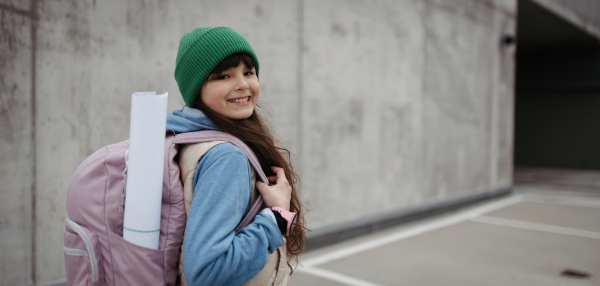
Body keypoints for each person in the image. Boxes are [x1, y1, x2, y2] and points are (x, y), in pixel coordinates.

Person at [166, 27, 307, 286]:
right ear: (196, 89)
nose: (242, 84)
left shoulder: (183, 134)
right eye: (223, 76)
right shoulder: (226, 157)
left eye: (248, 72)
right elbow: (206, 273)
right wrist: (277, 216)